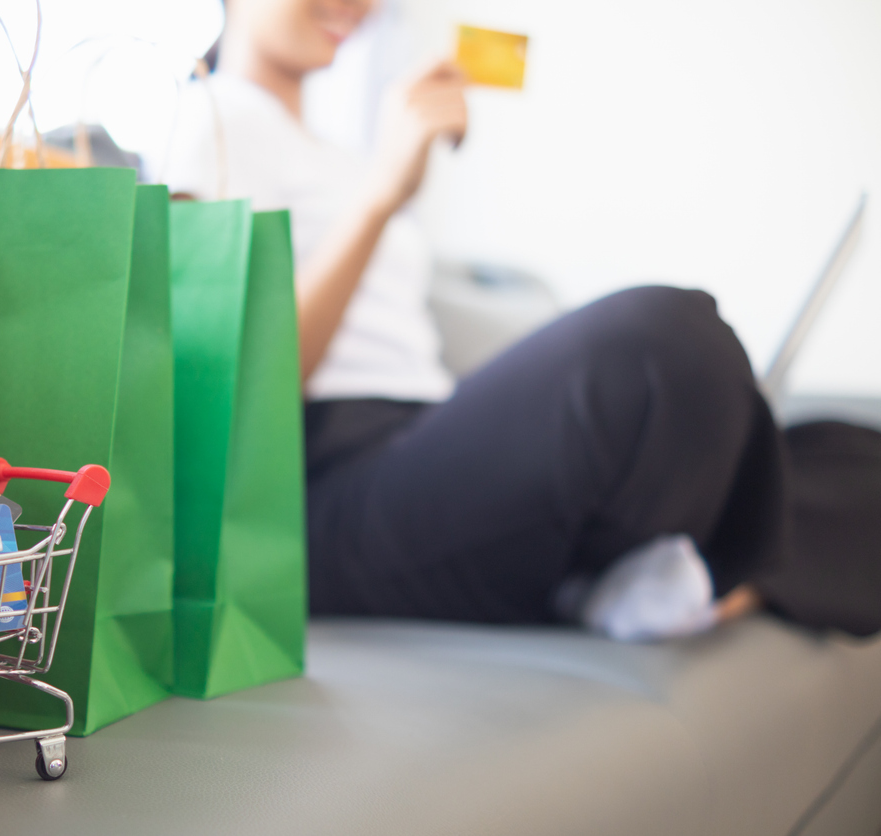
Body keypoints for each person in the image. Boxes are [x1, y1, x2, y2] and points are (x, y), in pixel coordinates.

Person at [160, 0, 781, 640]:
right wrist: (379, 200)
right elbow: (237, 392)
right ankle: (665, 574)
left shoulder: (341, 153)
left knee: (838, 446)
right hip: (321, 484)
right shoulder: (211, 123)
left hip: (420, 438)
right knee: (666, 338)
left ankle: (613, 581)